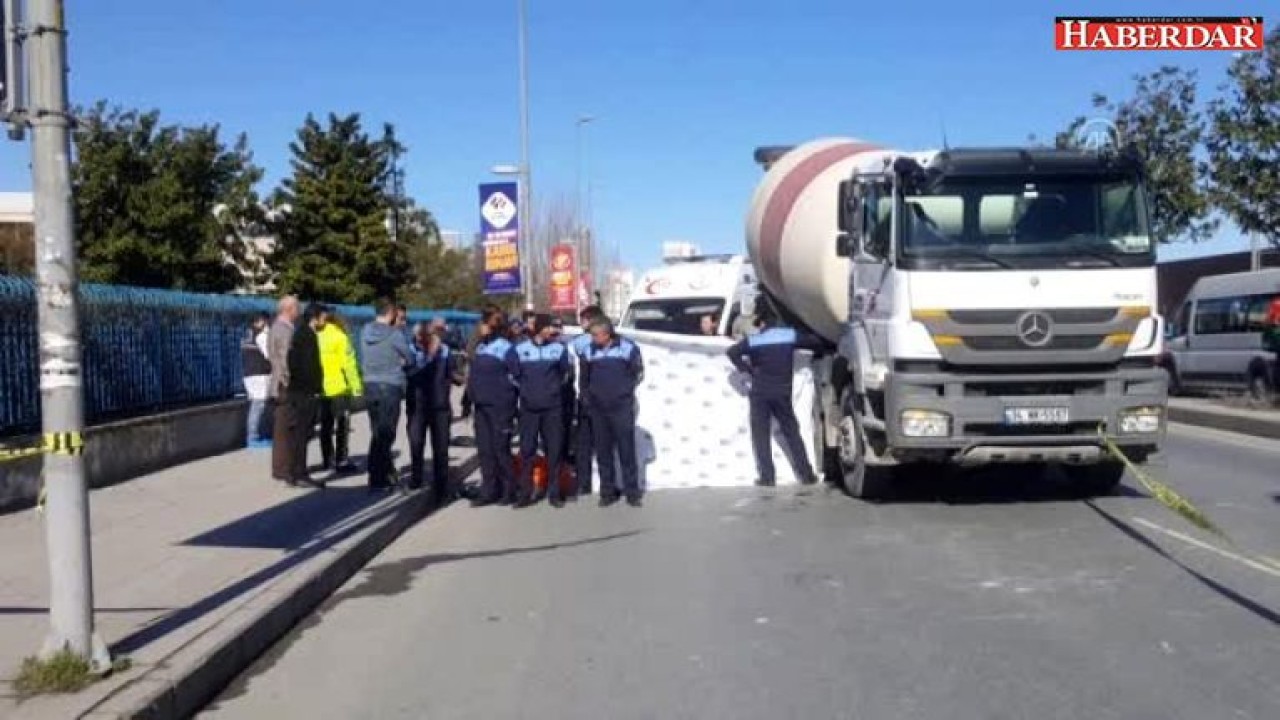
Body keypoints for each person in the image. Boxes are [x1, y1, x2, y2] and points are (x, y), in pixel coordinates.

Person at [725, 297, 821, 487]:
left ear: (762, 322)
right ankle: (806, 475)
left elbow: (732, 352)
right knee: (792, 433)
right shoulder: (788, 336)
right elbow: (814, 342)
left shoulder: (754, 340)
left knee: (761, 435)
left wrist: (748, 370)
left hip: (759, 392)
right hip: (782, 392)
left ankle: (767, 477)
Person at [582, 317, 645, 507]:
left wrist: (624, 391)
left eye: (595, 335)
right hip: (598, 409)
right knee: (603, 452)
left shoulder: (628, 348)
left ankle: (632, 492)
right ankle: (607, 492)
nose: (592, 339)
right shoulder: (589, 350)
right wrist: (587, 398)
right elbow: (584, 378)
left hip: (621, 407)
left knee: (626, 450)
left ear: (606, 334)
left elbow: (638, 373)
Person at [513, 314, 574, 508]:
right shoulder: (520, 350)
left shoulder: (558, 349)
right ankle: (525, 492)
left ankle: (554, 493)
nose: (552, 331)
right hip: (529, 410)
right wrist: (526, 392)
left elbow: (566, 374)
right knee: (527, 450)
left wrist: (553, 391)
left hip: (552, 409)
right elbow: (513, 375)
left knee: (554, 450)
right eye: (548, 327)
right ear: (539, 328)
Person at [361, 299, 415, 492]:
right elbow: (409, 357)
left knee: (376, 431)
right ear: (391, 313)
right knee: (386, 433)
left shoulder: (365, 331)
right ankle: (379, 476)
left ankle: (379, 473)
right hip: (389, 385)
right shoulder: (394, 334)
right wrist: (400, 361)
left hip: (370, 385)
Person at [406, 321, 465, 500]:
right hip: (417, 406)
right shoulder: (410, 351)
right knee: (416, 443)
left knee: (441, 447)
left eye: (431, 336)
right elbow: (410, 373)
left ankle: (441, 485)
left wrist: (462, 377)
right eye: (422, 336)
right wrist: (430, 356)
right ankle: (416, 479)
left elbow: (454, 374)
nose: (428, 339)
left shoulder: (445, 351)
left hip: (439, 406)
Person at [468, 309, 520, 506]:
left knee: (500, 449)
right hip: (481, 405)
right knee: (485, 450)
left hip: (500, 406)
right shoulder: (481, 347)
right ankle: (489, 490)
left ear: (494, 326)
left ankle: (509, 489)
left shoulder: (506, 348)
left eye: (485, 324)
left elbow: (516, 376)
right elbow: (470, 360)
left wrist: (511, 402)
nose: (480, 327)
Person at [282, 303, 326, 488]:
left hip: (295, 390)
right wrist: (315, 388)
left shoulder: (298, 334)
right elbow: (309, 366)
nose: (325, 321)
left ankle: (292, 472)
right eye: (323, 317)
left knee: (296, 433)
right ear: (314, 317)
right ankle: (300, 472)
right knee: (302, 433)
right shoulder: (307, 336)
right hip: (304, 392)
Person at [317, 307, 362, 474]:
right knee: (342, 424)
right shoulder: (340, 337)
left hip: (321, 388)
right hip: (339, 387)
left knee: (325, 426)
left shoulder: (317, 336)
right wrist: (356, 386)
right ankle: (341, 460)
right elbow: (349, 364)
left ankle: (327, 459)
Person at [569, 305, 606, 497]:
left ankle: (585, 485)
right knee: (598, 444)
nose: (580, 324)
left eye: (583, 320)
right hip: (594, 400)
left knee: (585, 445)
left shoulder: (580, 342)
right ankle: (603, 483)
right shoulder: (616, 340)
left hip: (587, 400)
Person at [269, 296, 300, 482]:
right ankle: (284, 467)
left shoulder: (277, 327)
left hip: (279, 382)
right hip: (285, 384)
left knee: (282, 428)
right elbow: (286, 358)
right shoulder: (284, 330)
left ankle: (281, 466)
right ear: (289, 309)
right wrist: (292, 380)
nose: (299, 311)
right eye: (297, 308)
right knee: (286, 428)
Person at [242, 312, 273, 449]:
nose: (268, 325)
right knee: (258, 406)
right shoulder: (261, 336)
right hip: (259, 373)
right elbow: (270, 355)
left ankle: (256, 435)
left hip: (249, 373)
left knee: (257, 405)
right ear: (261, 321)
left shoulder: (247, 335)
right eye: (266, 322)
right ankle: (253, 437)